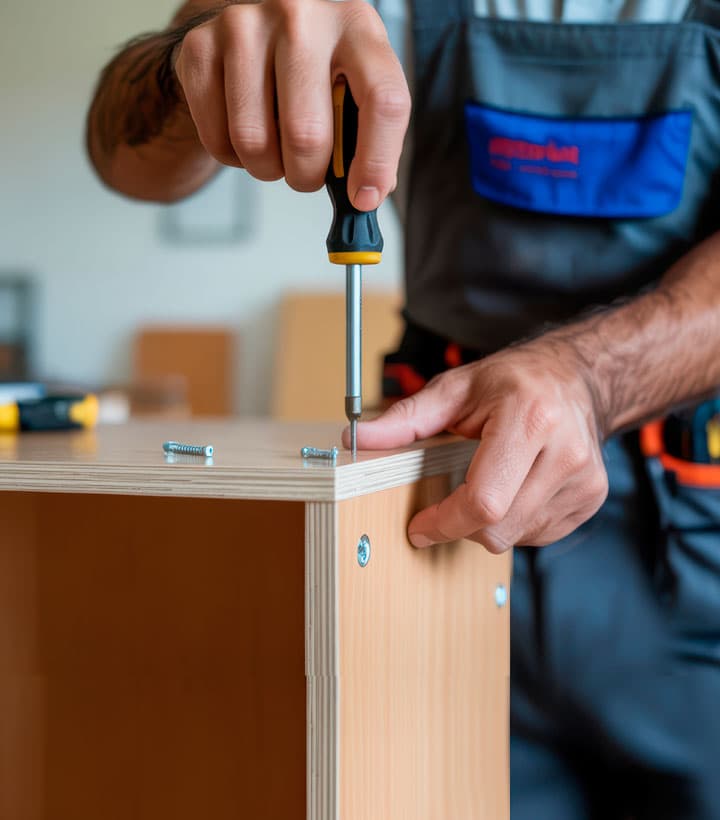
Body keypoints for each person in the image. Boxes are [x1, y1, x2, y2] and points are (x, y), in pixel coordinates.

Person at [86, 1, 720, 817]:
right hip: (434, 515)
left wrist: (587, 376)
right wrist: (196, 57)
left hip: (693, 526)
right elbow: (124, 160)